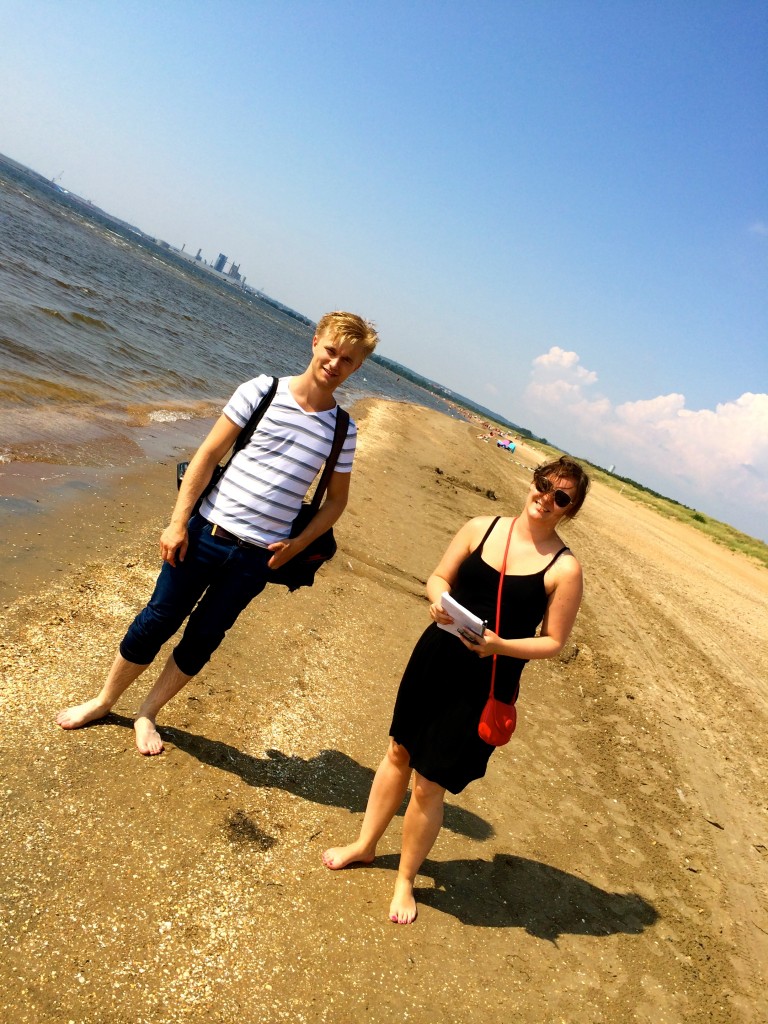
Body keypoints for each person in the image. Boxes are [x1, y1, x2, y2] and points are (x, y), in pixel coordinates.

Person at [56, 311, 378, 755]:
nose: (335, 364)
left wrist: (298, 545)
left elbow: (336, 501)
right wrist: (176, 522)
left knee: (205, 637)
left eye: (348, 360)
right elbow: (207, 454)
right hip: (206, 532)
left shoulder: (344, 430)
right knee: (157, 619)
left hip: (257, 558)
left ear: (357, 367)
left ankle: (148, 712)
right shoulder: (261, 391)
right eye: (331, 350)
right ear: (316, 342)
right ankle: (104, 700)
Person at [322, 456, 589, 924]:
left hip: (487, 678)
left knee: (430, 783)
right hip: (437, 655)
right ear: (533, 482)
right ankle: (365, 845)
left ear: (570, 509)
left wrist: (498, 645)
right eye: (544, 484)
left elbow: (554, 642)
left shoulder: (565, 569)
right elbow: (438, 577)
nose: (546, 498)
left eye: (561, 496)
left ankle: (405, 879)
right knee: (398, 752)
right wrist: (437, 602)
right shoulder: (480, 528)